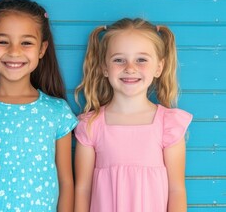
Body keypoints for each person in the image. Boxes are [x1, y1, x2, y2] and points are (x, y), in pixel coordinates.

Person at [0, 0, 78, 211]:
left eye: (26, 42)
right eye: (2, 41)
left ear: (42, 49)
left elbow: (66, 181)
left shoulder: (57, 112)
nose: (14, 51)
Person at [73, 18, 192, 212]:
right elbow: (83, 189)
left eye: (141, 60)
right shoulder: (90, 126)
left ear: (159, 68)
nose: (130, 68)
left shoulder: (168, 125)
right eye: (119, 60)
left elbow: (176, 190)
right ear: (104, 67)